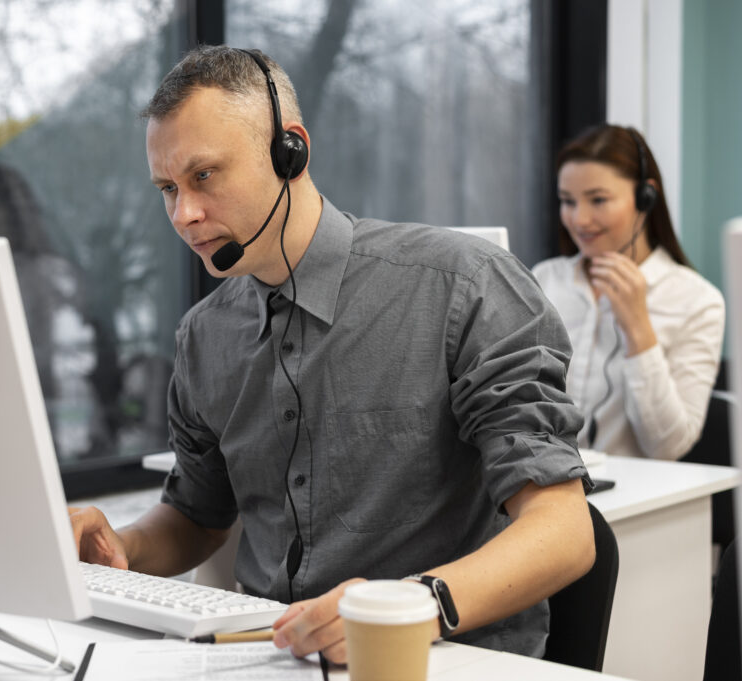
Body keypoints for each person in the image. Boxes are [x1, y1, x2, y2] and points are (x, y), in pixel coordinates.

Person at [69, 46, 594, 663]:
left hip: (440, 660)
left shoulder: (464, 285)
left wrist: (402, 610)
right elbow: (197, 516)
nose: (185, 215)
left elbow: (563, 534)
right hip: (269, 659)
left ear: (290, 151)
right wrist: (122, 549)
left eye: (204, 175)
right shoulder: (203, 336)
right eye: (168, 188)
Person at [532, 125, 725, 460]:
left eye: (598, 200)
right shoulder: (544, 279)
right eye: (568, 201)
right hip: (538, 488)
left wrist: (638, 328)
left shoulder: (697, 301)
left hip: (635, 501)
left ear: (645, 197)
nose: (580, 219)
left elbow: (668, 446)